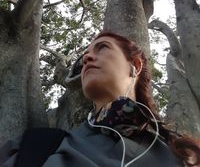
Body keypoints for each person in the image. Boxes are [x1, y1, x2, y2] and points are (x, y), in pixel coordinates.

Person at [0, 31, 200, 167]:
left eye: (102, 47)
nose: (86, 58)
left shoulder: (185, 155)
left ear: (136, 65)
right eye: (83, 57)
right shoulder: (34, 145)